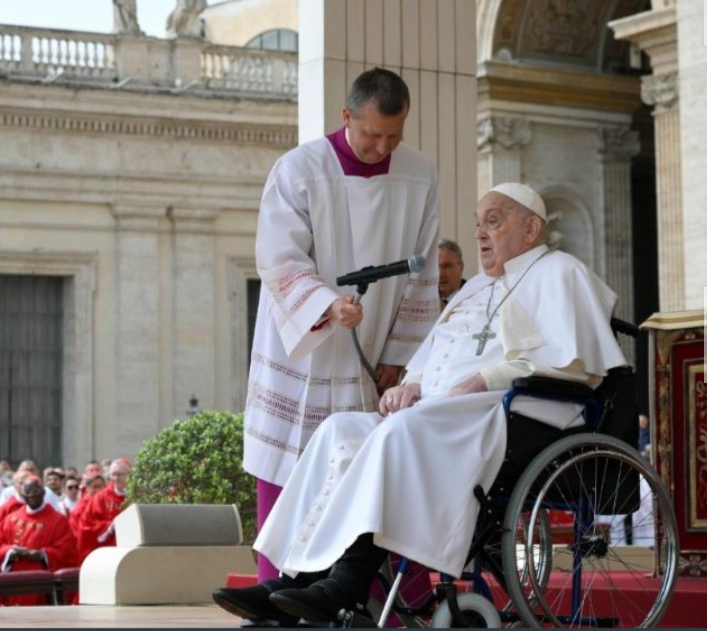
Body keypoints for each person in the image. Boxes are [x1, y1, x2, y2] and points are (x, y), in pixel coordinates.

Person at [214, 183, 626, 625]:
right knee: (339, 430)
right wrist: (410, 384)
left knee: (398, 433)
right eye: (477, 224)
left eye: (493, 221)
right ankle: (293, 577)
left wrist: (485, 378)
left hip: (513, 413)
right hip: (441, 414)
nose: (480, 233)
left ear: (531, 228)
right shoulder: (475, 288)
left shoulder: (561, 272)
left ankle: (347, 582)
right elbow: (433, 353)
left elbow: (574, 366)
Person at [245, 67, 440, 581]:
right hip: (304, 351)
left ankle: (367, 599)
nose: (382, 148)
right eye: (372, 134)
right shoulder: (299, 169)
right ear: (346, 116)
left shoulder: (419, 174)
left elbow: (423, 271)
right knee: (292, 468)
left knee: (369, 477)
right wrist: (327, 305)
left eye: (394, 136)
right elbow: (278, 257)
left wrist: (400, 356)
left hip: (372, 355)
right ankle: (278, 594)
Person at [0, 477, 77, 606]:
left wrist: (42, 554)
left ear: (43, 493)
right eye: (28, 493)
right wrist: (10, 551)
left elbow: (67, 552)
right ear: (23, 494)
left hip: (43, 585)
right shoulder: (11, 519)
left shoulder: (58, 521)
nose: (32, 496)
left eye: (35, 492)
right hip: (14, 583)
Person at [73, 458, 131, 563]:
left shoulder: (138, 496)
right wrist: (109, 527)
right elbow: (86, 524)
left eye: (120, 474)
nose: (116, 478)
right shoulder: (100, 498)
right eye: (113, 474)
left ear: (129, 475)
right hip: (108, 551)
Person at [438, 238, 466, 308]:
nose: (440, 274)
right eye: (434, 267)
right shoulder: (420, 300)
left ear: (461, 267)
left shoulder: (475, 297)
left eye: (447, 266)